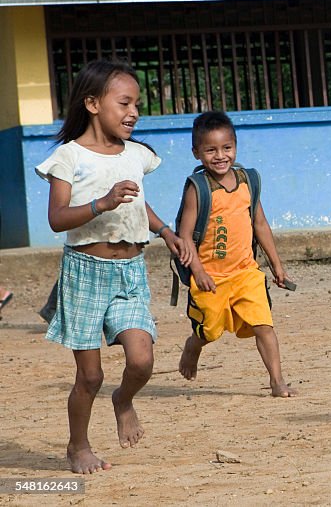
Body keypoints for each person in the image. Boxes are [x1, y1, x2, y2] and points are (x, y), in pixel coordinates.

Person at [35, 59, 192, 473]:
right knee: (89, 377)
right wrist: (101, 203)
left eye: (137, 104)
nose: (133, 112)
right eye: (124, 103)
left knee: (142, 360)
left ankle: (124, 400)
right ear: (91, 103)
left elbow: (139, 204)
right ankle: (78, 446)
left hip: (130, 272)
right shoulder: (68, 158)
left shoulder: (136, 155)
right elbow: (57, 218)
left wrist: (166, 233)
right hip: (85, 274)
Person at [176, 111, 296, 397]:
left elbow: (260, 224)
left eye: (227, 148)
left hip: (245, 271)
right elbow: (184, 235)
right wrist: (200, 272)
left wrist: (276, 265)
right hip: (210, 277)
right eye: (211, 150)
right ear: (197, 152)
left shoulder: (247, 181)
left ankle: (277, 381)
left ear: (235, 146)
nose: (220, 156)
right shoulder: (198, 188)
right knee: (212, 330)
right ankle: (194, 344)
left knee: (263, 324)